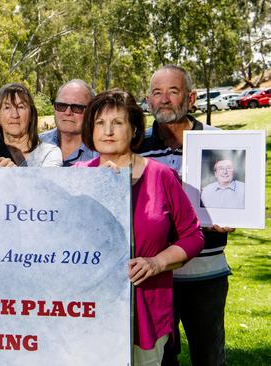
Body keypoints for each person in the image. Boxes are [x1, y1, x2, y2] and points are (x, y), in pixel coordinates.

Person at [76, 89, 204, 366]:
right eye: (100, 123)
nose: (108, 131)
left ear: (134, 129)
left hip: (147, 308)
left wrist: (157, 263)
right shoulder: (77, 177)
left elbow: (193, 236)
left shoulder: (161, 176)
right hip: (90, 311)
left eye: (117, 123)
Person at [136, 65, 233, 366]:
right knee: (162, 358)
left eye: (173, 91)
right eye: (156, 92)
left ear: (191, 98)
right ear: (148, 100)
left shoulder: (219, 143)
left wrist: (234, 216)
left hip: (206, 273)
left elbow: (238, 199)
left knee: (208, 356)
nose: (164, 99)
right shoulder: (137, 149)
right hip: (155, 276)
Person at [0, 83, 62, 167]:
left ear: (31, 115)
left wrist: (14, 174)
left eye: (20, 107)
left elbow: (47, 180)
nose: (15, 115)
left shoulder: (48, 153)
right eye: (7, 107)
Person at [39, 79, 98, 166]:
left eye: (77, 107)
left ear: (92, 112)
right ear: (54, 108)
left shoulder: (102, 152)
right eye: (61, 106)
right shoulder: (36, 144)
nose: (67, 113)